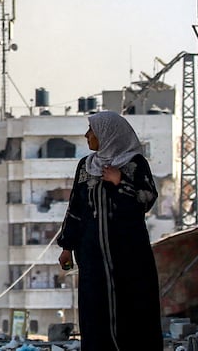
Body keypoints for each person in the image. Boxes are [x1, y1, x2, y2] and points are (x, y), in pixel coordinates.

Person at [56, 111, 163, 351]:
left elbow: (145, 201)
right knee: (95, 313)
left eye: (91, 130)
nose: (87, 135)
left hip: (129, 257)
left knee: (134, 310)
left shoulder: (135, 164)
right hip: (93, 258)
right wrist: (67, 247)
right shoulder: (85, 167)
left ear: (107, 134)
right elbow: (75, 209)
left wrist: (119, 182)